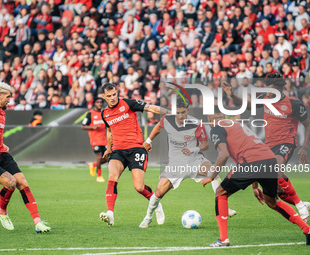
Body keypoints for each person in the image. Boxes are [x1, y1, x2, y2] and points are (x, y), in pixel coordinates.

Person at [202, 107, 310, 247]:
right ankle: (307, 229)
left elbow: (224, 155)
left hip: (251, 162)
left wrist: (211, 177)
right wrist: (255, 186)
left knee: (221, 192)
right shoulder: (237, 124)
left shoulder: (216, 127)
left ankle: (223, 239)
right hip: (269, 159)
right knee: (272, 201)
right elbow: (253, 148)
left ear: (210, 120)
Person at [222, 74, 310, 221]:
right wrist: (233, 96)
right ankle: (301, 203)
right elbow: (249, 106)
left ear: (280, 90)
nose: (269, 94)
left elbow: (307, 124)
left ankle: (300, 207)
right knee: (273, 190)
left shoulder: (293, 104)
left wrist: (305, 147)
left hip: (286, 142)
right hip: (268, 145)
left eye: (272, 91)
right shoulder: (265, 97)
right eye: (267, 90)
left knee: (276, 170)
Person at [139, 99, 236, 228]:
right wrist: (148, 141)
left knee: (213, 171)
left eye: (183, 112)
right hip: (175, 164)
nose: (180, 116)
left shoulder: (196, 124)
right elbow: (158, 127)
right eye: (178, 112)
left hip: (194, 160)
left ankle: (224, 207)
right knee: (158, 192)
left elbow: (205, 145)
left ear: (188, 111)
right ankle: (148, 216)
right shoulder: (167, 120)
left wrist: (193, 149)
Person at [0, 82, 50, 233]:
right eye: (8, 97)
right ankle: (2, 212)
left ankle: (38, 222)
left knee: (23, 183)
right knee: (11, 183)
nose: (10, 100)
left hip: (1, 153)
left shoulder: (2, 111)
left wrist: (2, 143)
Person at [99, 83, 168, 226]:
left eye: (114, 94)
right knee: (112, 177)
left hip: (136, 149)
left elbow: (149, 107)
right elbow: (110, 130)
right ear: (104, 97)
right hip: (118, 150)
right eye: (109, 96)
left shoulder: (128, 103)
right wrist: (108, 148)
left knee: (139, 187)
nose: (113, 98)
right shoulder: (104, 113)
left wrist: (167, 112)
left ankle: (156, 204)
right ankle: (110, 213)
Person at [82, 98, 108, 182]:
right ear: (94, 104)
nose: (99, 104)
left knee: (106, 158)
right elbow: (83, 126)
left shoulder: (104, 113)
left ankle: (93, 165)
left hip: (104, 139)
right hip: (95, 139)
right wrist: (93, 127)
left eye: (101, 102)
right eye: (97, 102)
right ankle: (99, 176)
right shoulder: (90, 114)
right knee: (99, 157)